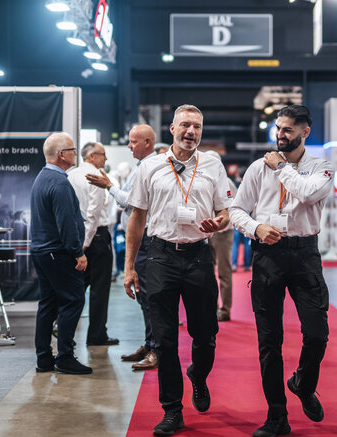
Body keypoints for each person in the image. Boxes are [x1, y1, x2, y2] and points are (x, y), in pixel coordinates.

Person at [123, 105, 231, 436]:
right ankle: (172, 409)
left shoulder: (212, 164)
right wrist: (129, 266)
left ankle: (198, 374)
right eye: (185, 124)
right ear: (172, 128)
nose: (191, 131)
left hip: (198, 257)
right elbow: (137, 217)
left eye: (196, 126)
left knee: (206, 334)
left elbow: (226, 211)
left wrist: (219, 222)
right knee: (165, 340)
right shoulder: (151, 166)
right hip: (160, 258)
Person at [230, 105, 334, 437]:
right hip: (268, 256)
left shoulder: (321, 167)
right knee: (269, 341)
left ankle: (303, 383)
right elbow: (236, 210)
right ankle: (277, 415)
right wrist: (255, 228)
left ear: (305, 131)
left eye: (287, 129)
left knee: (317, 333)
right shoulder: (257, 168)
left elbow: (308, 193)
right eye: (278, 128)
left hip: (305, 255)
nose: (280, 135)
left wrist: (281, 167)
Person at [86, 124, 159, 370]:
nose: (129, 146)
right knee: (143, 295)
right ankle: (150, 344)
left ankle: (155, 348)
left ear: (147, 143)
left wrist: (110, 186)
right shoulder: (140, 167)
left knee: (148, 296)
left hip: (146, 239)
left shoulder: (149, 167)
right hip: (139, 239)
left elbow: (131, 202)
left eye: (133, 142)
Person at [30, 132, 91, 375]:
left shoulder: (42, 178)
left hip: (43, 251)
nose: (75, 153)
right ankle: (65, 356)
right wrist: (77, 252)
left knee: (48, 303)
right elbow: (66, 223)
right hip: (58, 252)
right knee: (73, 300)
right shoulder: (59, 183)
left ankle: (44, 358)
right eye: (72, 150)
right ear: (61, 154)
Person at [68, 142, 118, 346]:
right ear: (91, 156)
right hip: (95, 239)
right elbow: (93, 213)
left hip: (76, 236)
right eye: (103, 154)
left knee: (76, 288)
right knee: (99, 289)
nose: (106, 158)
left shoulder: (71, 175)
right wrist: (86, 243)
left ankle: (65, 331)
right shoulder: (96, 176)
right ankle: (97, 335)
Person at [205, 150, 237, 322]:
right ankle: (211, 307)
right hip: (205, 233)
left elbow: (235, 208)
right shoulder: (202, 181)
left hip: (223, 233)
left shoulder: (227, 183)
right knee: (206, 273)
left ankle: (225, 309)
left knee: (224, 272)